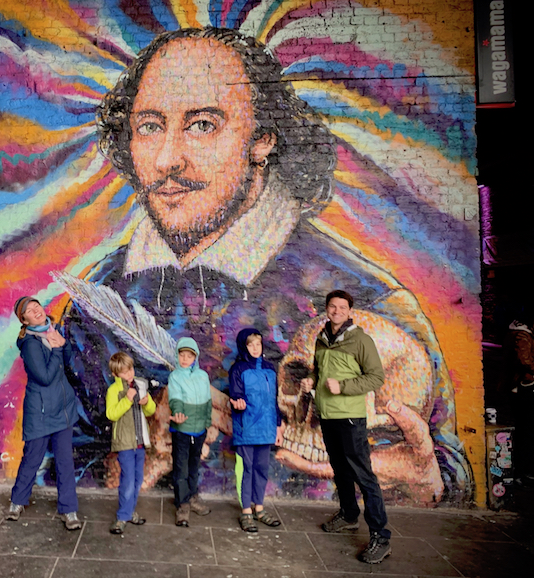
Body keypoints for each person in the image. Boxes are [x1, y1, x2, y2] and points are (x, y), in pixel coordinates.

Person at [61, 26, 471, 504]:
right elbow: (63, 468)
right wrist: (132, 461)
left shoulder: (371, 304)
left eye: (202, 124)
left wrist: (427, 486)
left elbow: (447, 476)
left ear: (263, 140)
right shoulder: (95, 308)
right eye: (150, 126)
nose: (167, 158)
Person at [299, 290, 391, 564]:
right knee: (340, 470)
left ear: (350, 311)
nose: (337, 311)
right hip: (327, 415)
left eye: (342, 307)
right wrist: (312, 381)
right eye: (332, 306)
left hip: (350, 417)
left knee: (363, 476)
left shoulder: (360, 340)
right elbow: (319, 370)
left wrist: (344, 387)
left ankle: (381, 537)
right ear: (326, 309)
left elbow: (376, 377)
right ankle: (349, 515)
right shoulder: (322, 338)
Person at [6, 296, 82, 530]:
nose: (35, 310)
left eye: (36, 305)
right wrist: (58, 349)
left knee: (65, 462)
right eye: (29, 310)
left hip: (63, 408)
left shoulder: (54, 330)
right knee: (32, 458)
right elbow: (45, 377)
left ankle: (69, 510)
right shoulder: (30, 344)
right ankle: (17, 502)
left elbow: (68, 363)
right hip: (40, 410)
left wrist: (64, 345)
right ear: (24, 320)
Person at [229, 328, 284, 532]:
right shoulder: (238, 369)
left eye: (258, 344)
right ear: (244, 346)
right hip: (246, 429)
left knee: (261, 470)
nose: (255, 348)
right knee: (247, 470)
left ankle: (259, 509)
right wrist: (238, 402)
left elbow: (274, 401)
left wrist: (278, 426)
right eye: (250, 344)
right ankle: (246, 512)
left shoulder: (270, 369)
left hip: (266, 429)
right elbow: (235, 394)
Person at [105, 351, 157, 534]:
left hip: (140, 440)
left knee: (137, 480)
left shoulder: (140, 384)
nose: (129, 374)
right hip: (125, 442)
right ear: (115, 374)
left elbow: (151, 411)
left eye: (130, 370)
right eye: (124, 372)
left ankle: (129, 511)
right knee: (127, 480)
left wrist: (147, 401)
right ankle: (122, 517)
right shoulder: (114, 390)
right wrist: (127, 400)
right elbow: (111, 414)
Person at [168, 338, 212, 526]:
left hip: (199, 430)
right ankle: (182, 504)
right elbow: (175, 398)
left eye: (189, 355)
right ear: (177, 356)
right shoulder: (175, 376)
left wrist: (207, 422)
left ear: (195, 357)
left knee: (194, 466)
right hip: (182, 431)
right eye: (182, 355)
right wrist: (177, 412)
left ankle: (193, 496)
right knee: (181, 468)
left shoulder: (203, 376)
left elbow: (208, 401)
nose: (185, 359)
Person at [505, 319, 534, 485]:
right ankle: (523, 472)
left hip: (516, 387)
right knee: (526, 430)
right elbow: (524, 359)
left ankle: (520, 471)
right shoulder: (522, 336)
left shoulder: (513, 334)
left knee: (523, 428)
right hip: (524, 387)